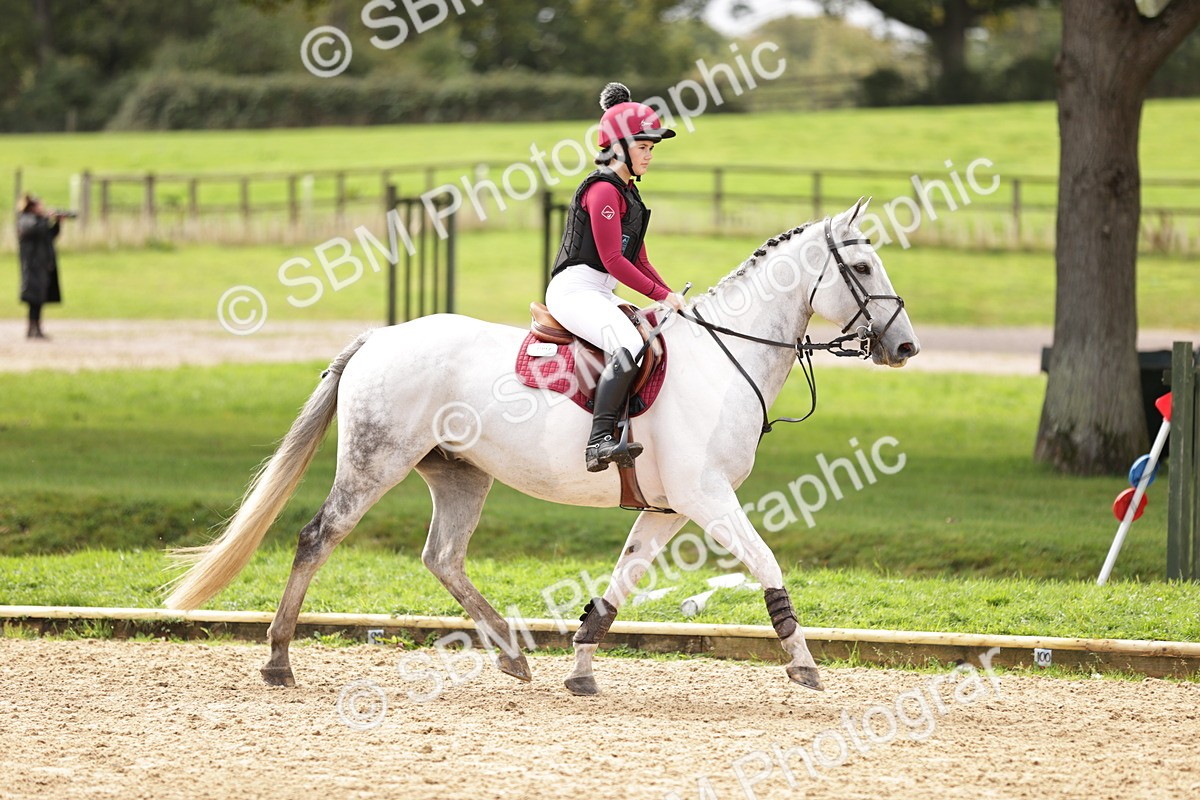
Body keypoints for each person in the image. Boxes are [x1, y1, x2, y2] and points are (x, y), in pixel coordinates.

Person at [546, 82, 686, 473]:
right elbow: (611, 260)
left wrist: (669, 295)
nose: (649, 156)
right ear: (619, 147)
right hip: (574, 290)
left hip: (599, 291)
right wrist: (660, 293)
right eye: (643, 147)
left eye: (651, 149)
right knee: (627, 340)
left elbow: (638, 258)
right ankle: (599, 441)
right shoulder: (603, 190)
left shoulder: (630, 195)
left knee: (651, 333)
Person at [16, 193, 65, 340]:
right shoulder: (25, 220)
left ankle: (36, 328)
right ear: (32, 207)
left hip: (42, 265)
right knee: (34, 298)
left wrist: (57, 223)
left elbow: (49, 234)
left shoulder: (38, 221)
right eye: (39, 206)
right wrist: (46, 217)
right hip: (32, 266)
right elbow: (34, 228)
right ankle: (32, 328)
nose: (42, 208)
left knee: (40, 298)